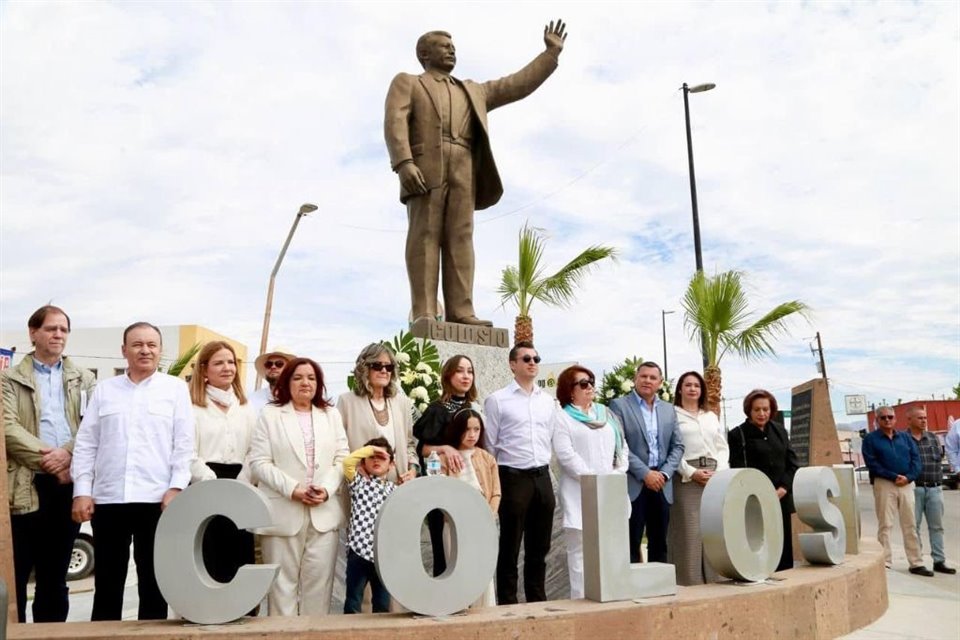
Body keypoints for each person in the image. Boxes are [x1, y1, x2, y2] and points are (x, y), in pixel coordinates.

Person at [384, 21, 567, 326]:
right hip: (425, 167)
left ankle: (461, 311)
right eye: (444, 46)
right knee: (425, 237)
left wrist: (549, 55)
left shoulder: (473, 90)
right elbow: (394, 122)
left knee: (461, 238)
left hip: (464, 165)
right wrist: (404, 163)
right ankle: (425, 311)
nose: (452, 51)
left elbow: (516, 85)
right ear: (424, 54)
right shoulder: (408, 82)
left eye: (453, 47)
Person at [71, 322, 195, 620]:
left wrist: (176, 487)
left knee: (153, 584)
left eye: (152, 344)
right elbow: (87, 443)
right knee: (108, 584)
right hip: (109, 500)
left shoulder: (175, 390)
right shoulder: (104, 390)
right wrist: (82, 492)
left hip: (157, 501)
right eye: (137, 344)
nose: (145, 350)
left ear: (160, 350)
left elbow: (184, 443)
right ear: (124, 350)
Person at [2, 305, 96, 623]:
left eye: (63, 329)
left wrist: (69, 453)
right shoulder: (9, 380)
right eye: (51, 328)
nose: (58, 335)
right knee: (16, 574)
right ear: (33, 333)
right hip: (24, 484)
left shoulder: (84, 380)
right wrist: (54, 459)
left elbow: (92, 426)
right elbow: (8, 428)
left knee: (55, 576)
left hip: (67, 485)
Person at [248, 357, 349, 615]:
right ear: (286, 382)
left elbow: (342, 458)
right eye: (298, 377)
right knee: (282, 588)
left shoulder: (331, 415)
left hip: (323, 514)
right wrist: (292, 489)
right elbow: (259, 462)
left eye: (311, 378)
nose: (305, 382)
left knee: (319, 587)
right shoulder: (270, 415)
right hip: (283, 511)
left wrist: (326, 489)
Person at [484, 341, 556, 604]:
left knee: (540, 547)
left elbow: (549, 437)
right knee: (510, 546)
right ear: (512, 364)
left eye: (536, 358)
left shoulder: (548, 401)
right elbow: (490, 443)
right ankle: (508, 603)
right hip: (513, 478)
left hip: (542, 477)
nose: (532, 363)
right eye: (526, 359)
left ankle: (538, 600)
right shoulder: (497, 400)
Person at [552, 366, 628, 599]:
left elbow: (622, 447)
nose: (590, 387)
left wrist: (616, 474)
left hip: (611, 490)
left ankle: (612, 596)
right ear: (570, 390)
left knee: (611, 549)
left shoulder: (606, 414)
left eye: (592, 382)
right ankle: (581, 599)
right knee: (581, 553)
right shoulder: (563, 417)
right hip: (580, 492)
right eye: (583, 383)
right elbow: (565, 455)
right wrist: (592, 480)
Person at [188, 341, 257, 585]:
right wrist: (210, 482)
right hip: (203, 483)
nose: (227, 367)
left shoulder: (247, 407)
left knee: (239, 550)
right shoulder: (191, 406)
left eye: (230, 362)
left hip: (240, 484)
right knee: (208, 549)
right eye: (219, 362)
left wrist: (241, 481)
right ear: (204, 369)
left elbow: (254, 449)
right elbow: (187, 450)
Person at [609, 361, 684, 564]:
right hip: (634, 483)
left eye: (652, 378)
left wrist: (665, 474)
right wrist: (645, 474)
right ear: (635, 379)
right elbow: (619, 444)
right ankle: (631, 591)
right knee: (631, 543)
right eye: (643, 376)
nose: (647, 381)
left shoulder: (669, 410)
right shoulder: (619, 406)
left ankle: (659, 591)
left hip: (662, 483)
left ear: (660, 383)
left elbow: (677, 446)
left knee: (659, 544)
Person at [412, 354, 479, 576]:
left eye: (470, 371)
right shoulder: (437, 409)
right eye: (460, 370)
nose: (466, 376)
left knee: (470, 547)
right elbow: (423, 449)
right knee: (444, 548)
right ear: (448, 375)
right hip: (442, 486)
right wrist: (446, 449)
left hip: (471, 484)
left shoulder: (475, 408)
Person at [727, 389, 799, 573]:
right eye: (757, 409)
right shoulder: (738, 434)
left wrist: (783, 488)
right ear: (749, 411)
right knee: (760, 546)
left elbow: (792, 463)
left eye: (765, 409)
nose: (762, 414)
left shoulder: (780, 431)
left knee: (783, 548)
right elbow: (738, 468)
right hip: (755, 500)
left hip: (781, 498)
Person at [668, 370, 729, 585]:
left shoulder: (710, 416)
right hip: (687, 478)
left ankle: (716, 581)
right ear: (680, 389)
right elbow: (671, 450)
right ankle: (690, 584)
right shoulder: (672, 414)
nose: (693, 388)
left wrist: (719, 472)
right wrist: (691, 472)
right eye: (688, 385)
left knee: (713, 531)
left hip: (714, 475)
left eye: (697, 385)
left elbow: (721, 447)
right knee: (690, 533)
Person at [861, 406, 931, 575]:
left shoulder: (905, 438)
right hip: (884, 484)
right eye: (883, 417)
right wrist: (893, 477)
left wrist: (909, 477)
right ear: (877, 420)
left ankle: (916, 562)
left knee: (910, 525)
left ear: (895, 419)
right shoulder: (870, 440)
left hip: (907, 484)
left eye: (890, 417)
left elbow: (916, 460)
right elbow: (872, 464)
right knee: (885, 524)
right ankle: (885, 562)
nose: (887, 420)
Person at [441, 408, 500, 607]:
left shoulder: (487, 458)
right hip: (455, 523)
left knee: (482, 573)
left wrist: (488, 515)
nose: (472, 434)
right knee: (456, 571)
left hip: (482, 523)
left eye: (476, 429)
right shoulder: (444, 458)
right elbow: (439, 492)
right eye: (467, 429)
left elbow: (496, 493)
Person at [336, 343, 418, 484]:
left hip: (398, 485)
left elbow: (409, 444)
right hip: (362, 487)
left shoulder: (402, 402)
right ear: (364, 369)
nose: (384, 370)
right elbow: (338, 446)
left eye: (389, 366)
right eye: (377, 366)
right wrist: (355, 469)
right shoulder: (347, 402)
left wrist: (413, 469)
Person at [342, 437, 397, 614]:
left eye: (382, 457)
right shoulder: (358, 483)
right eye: (372, 456)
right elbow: (347, 463)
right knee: (353, 600)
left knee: (382, 603)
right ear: (363, 461)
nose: (376, 460)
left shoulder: (395, 490)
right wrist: (370, 449)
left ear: (391, 465)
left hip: (384, 553)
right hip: (358, 551)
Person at [906, 406, 955, 574]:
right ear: (910, 420)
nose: (924, 420)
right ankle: (917, 563)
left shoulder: (933, 438)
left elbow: (939, 458)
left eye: (925, 417)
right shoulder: (903, 439)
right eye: (920, 418)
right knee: (914, 527)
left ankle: (939, 561)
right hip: (914, 489)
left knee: (937, 526)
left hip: (935, 488)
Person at [248, 347, 295, 415]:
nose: (273, 367)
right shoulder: (253, 399)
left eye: (279, 364)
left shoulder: (298, 398)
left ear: (289, 369)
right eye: (269, 364)